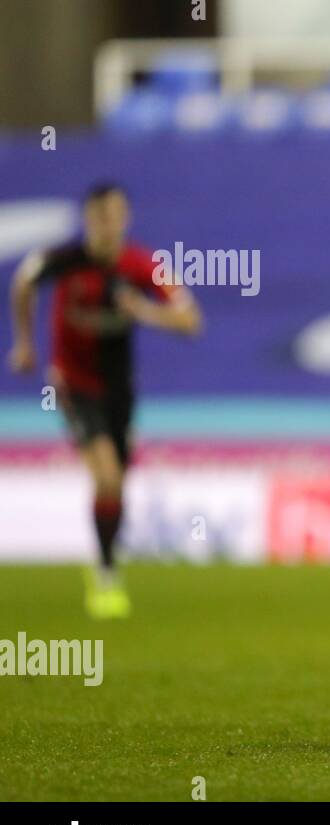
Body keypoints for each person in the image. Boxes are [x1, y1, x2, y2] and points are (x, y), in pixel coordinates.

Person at [7, 182, 203, 618]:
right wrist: (25, 344)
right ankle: (107, 574)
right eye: (98, 217)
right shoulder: (62, 260)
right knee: (108, 476)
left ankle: (106, 562)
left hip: (120, 390)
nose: (106, 225)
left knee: (118, 482)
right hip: (73, 384)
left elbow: (192, 320)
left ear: (126, 219)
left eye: (114, 216)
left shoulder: (143, 265)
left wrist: (144, 312)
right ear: (87, 221)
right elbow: (22, 282)